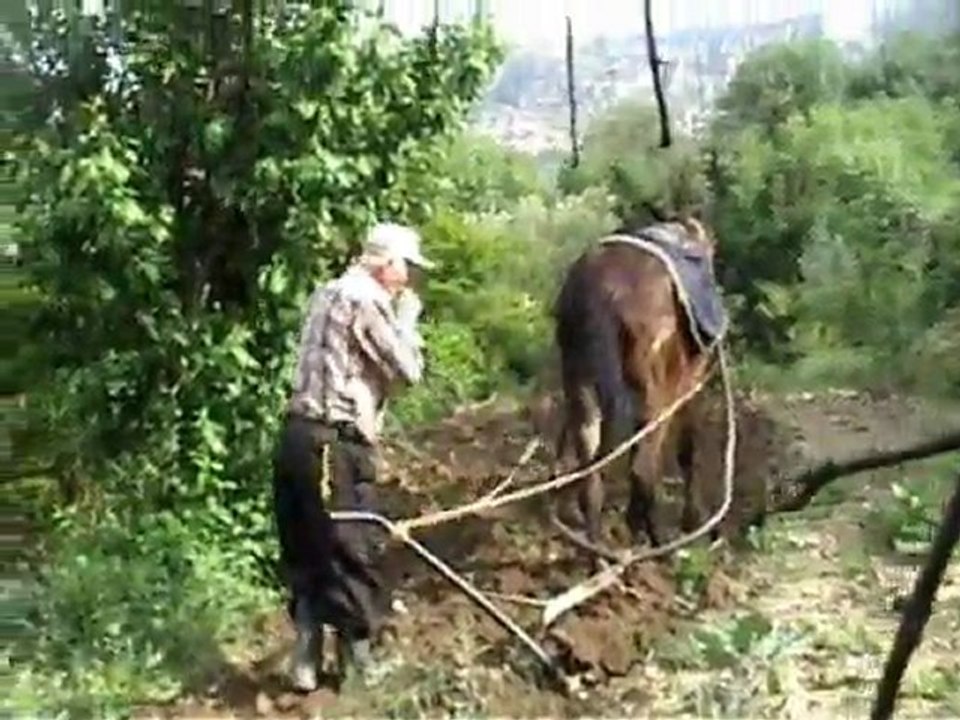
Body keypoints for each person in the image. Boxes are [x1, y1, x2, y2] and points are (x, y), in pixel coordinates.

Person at [271, 222, 434, 692]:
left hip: (296, 437)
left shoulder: (325, 293)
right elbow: (408, 371)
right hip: (336, 444)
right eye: (406, 268)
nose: (408, 279)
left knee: (304, 545)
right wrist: (407, 320)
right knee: (352, 547)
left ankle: (305, 660)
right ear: (386, 265)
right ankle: (358, 664)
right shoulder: (368, 300)